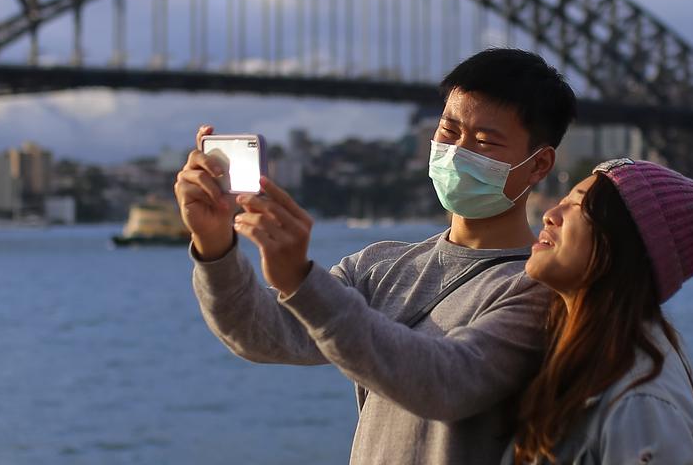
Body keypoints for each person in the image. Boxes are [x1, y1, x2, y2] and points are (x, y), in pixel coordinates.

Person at [175, 48, 577, 464]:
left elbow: (447, 382)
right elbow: (262, 334)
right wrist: (214, 245)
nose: (458, 152)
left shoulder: (541, 288)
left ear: (538, 165)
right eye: (449, 131)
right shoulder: (377, 267)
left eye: (484, 142)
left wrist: (301, 280)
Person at [507, 158, 693, 464]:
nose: (550, 215)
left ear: (621, 245)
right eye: (562, 202)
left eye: (578, 206)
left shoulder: (642, 406)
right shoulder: (569, 354)